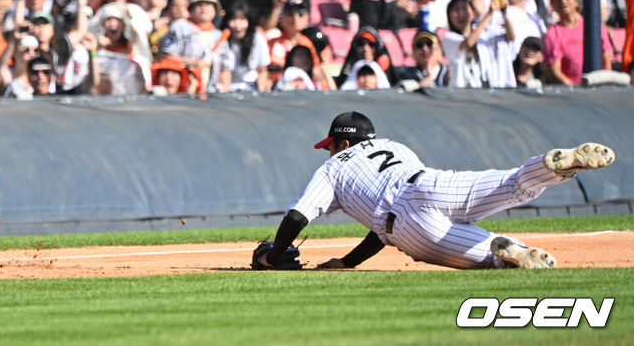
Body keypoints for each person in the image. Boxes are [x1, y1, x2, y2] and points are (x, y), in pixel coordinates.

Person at [253, 111, 616, 270]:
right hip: (433, 183)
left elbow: (297, 216)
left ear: (342, 144)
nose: (329, 150)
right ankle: (551, 166)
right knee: (514, 184)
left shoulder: (333, 167)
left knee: (490, 260)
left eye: (331, 144)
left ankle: (510, 251)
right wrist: (347, 262)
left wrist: (275, 256)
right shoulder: (395, 146)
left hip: (405, 225)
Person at [543, 0, 613, 85]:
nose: (562, 0)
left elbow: (606, 57)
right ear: (553, 4)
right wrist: (576, 92)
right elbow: (554, 72)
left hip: (599, 89)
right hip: (569, 95)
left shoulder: (594, 27)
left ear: (576, 1)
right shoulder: (552, 34)